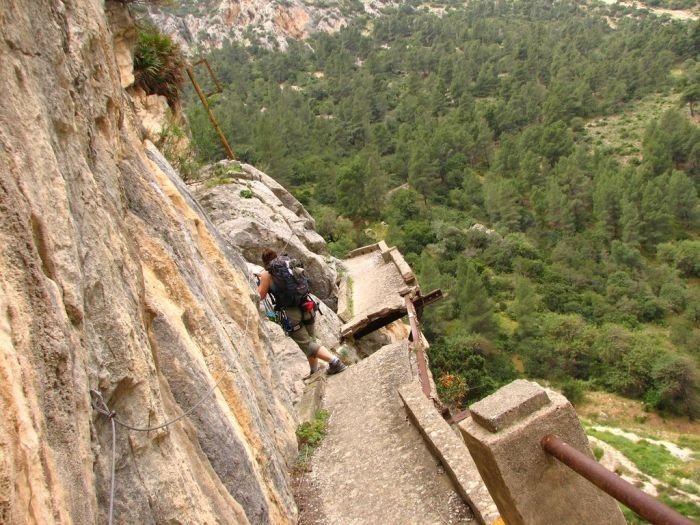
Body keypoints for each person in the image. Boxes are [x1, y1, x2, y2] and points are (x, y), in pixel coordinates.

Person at [257, 249, 347, 376]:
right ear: (276, 256)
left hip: (291, 313)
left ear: (265, 262)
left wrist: (260, 280)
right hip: (307, 306)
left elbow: (260, 295)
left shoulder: (267, 274)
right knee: (310, 340)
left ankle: (335, 362)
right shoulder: (289, 264)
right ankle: (314, 371)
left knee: (306, 344)